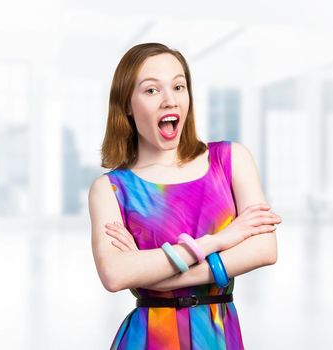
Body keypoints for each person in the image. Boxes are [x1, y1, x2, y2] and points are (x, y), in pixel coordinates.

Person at [88, 42, 281, 350]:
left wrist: (157, 276)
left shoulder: (230, 160)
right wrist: (218, 241)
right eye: (151, 90)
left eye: (178, 86)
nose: (169, 100)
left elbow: (264, 248)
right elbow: (115, 274)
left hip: (217, 335)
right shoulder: (110, 188)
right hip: (148, 339)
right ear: (127, 103)